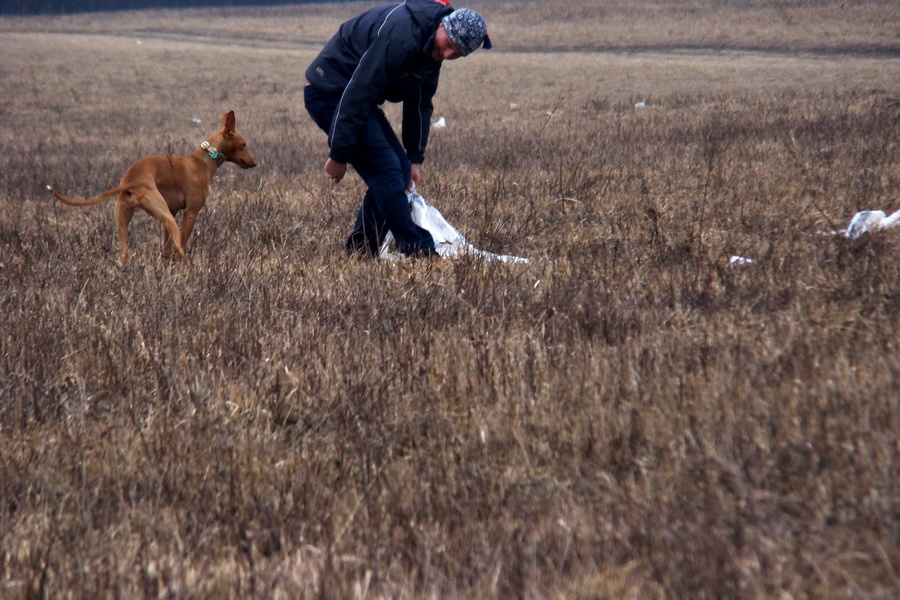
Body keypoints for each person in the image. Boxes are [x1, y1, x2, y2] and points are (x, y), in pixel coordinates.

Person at [304, 1, 492, 257]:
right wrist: (339, 154)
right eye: (448, 44)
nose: (447, 55)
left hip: (356, 98)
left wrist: (414, 158)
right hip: (328, 92)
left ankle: (362, 248)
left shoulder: (431, 48)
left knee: (401, 171)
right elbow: (358, 90)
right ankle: (418, 251)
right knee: (388, 173)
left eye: (456, 53)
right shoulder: (402, 36)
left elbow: (419, 104)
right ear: (441, 26)